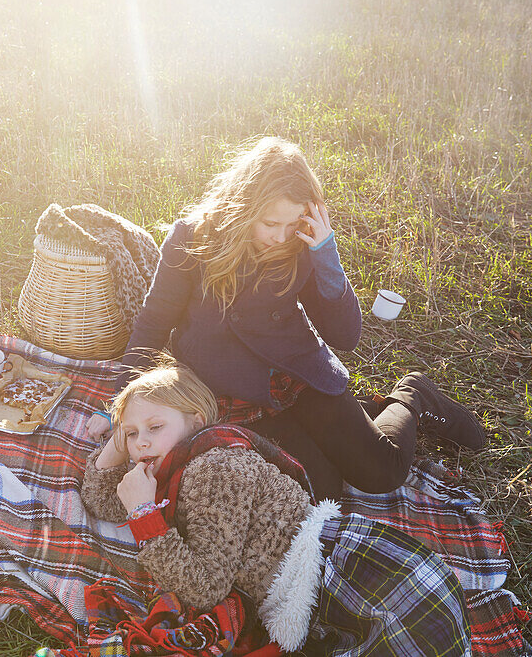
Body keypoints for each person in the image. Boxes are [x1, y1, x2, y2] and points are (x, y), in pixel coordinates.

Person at [85, 136, 485, 500]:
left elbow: (345, 336)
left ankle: (413, 396)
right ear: (243, 207)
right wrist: (118, 404)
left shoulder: (301, 246)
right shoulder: (193, 238)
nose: (280, 236)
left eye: (292, 223)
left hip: (299, 377)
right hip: (233, 393)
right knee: (322, 490)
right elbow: (153, 322)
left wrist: (326, 257)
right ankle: (366, 413)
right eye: (270, 223)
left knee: (382, 473)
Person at [81, 362, 470, 655]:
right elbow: (103, 501)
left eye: (154, 427)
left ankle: (413, 396)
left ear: (195, 422)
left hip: (346, 578)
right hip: (320, 582)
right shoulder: (170, 469)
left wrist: (145, 518)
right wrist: (117, 445)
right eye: (133, 434)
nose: (142, 443)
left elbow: (205, 588)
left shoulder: (213, 468)